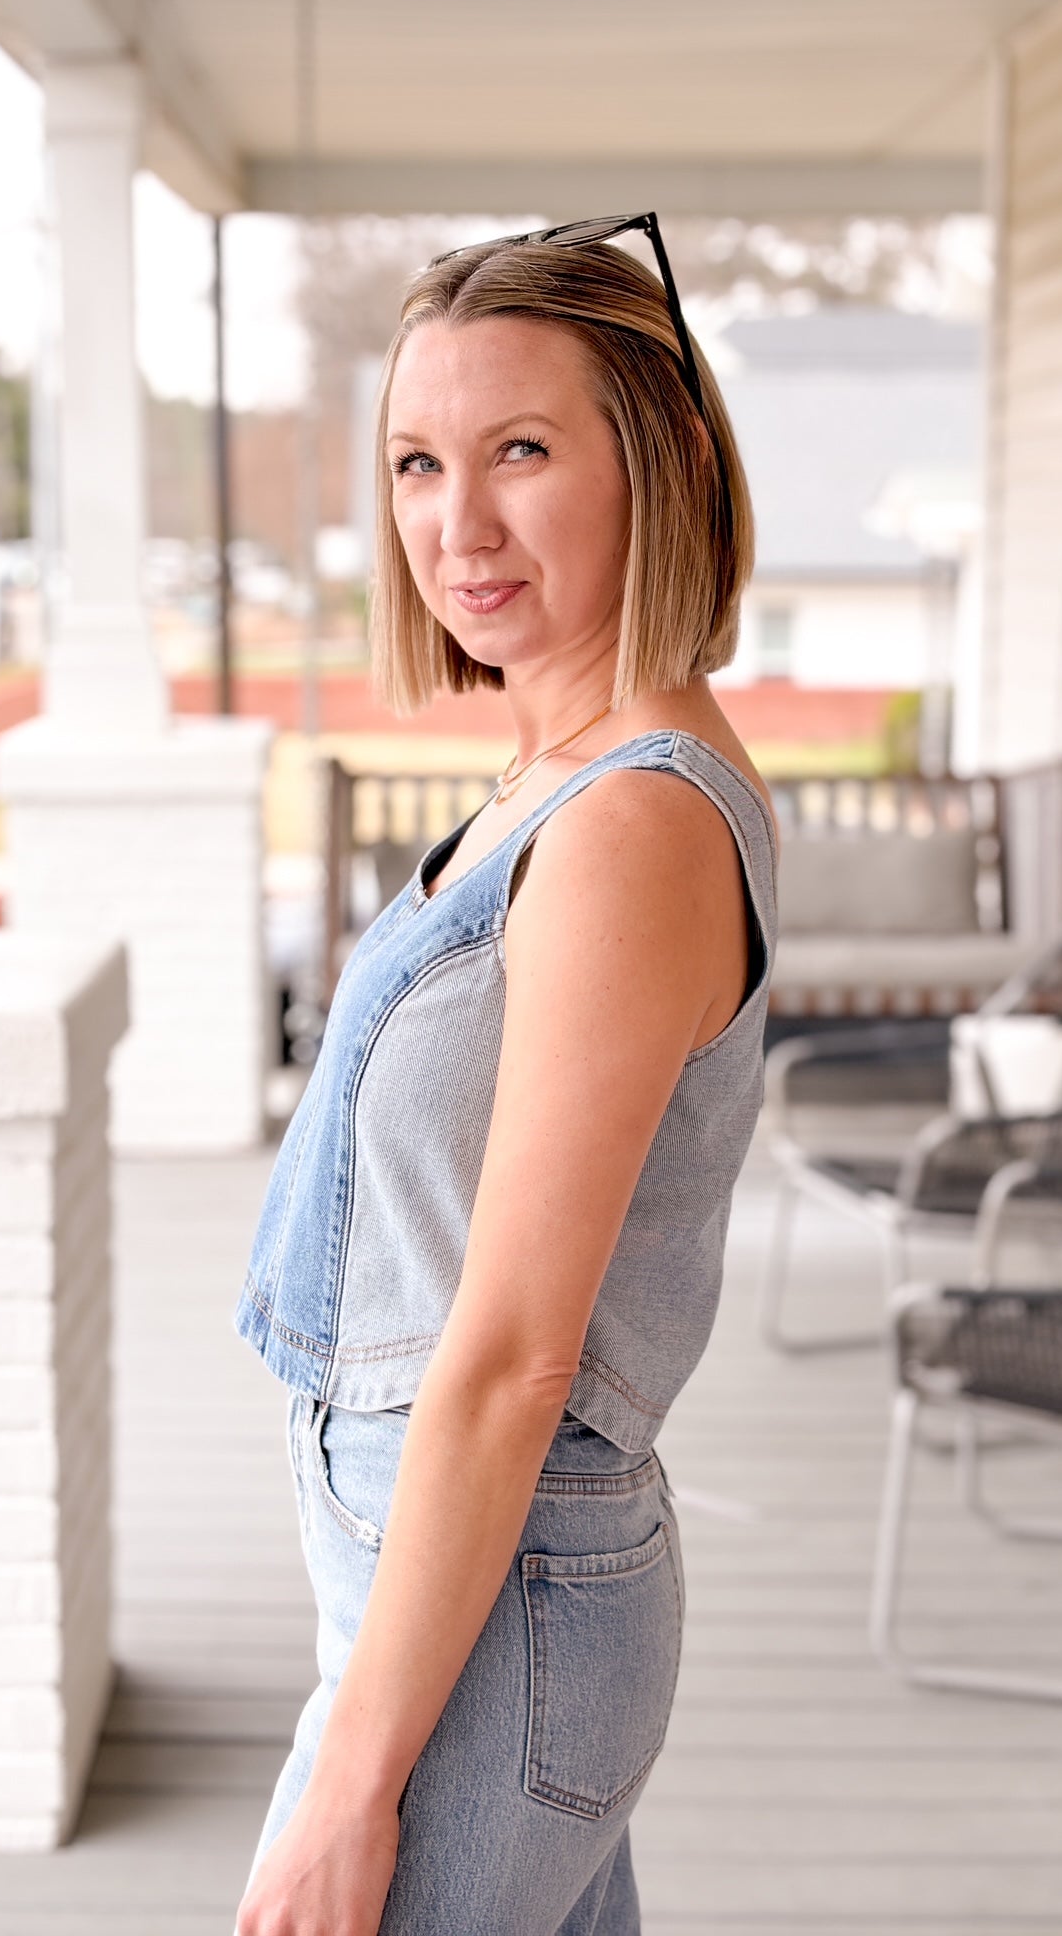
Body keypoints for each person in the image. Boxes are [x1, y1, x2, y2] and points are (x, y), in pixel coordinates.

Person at [233, 215, 776, 1936]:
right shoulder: (567, 766)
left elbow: (516, 1354)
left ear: (666, 453)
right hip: (471, 1578)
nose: (454, 526)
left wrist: (349, 1785)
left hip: (500, 1585)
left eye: (521, 452)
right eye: (416, 462)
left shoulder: (633, 822)